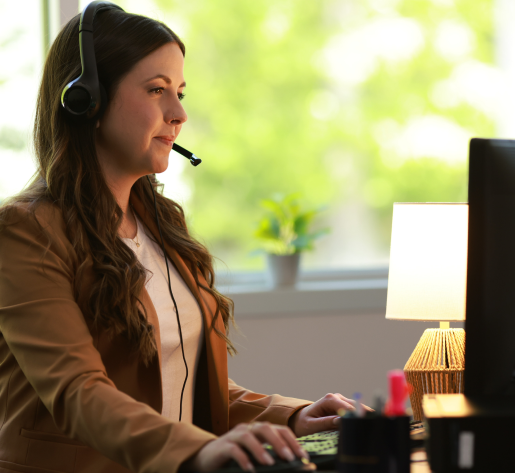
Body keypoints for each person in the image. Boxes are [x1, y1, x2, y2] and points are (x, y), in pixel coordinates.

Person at [0, 4, 366, 473]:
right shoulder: (26, 232)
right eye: (156, 90)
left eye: (179, 92)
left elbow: (185, 385)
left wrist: (293, 416)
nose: (178, 113)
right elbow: (77, 391)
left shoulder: (161, 225)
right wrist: (194, 450)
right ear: (86, 101)